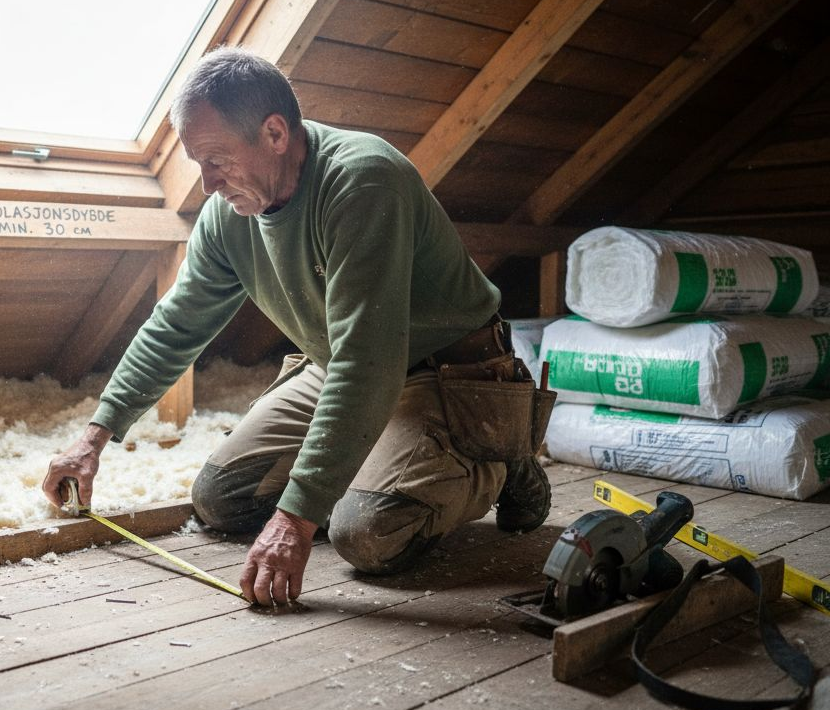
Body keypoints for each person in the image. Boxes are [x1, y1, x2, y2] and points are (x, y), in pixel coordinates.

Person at [41, 47, 550, 607]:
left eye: (217, 160)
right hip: (341, 366)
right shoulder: (228, 215)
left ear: (276, 133)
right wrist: (95, 436)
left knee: (368, 535)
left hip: (445, 372)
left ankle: (504, 456)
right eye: (196, 163)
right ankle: (396, 462)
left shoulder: (362, 182)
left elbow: (368, 363)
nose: (207, 184)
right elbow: (176, 325)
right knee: (221, 500)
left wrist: (297, 519)